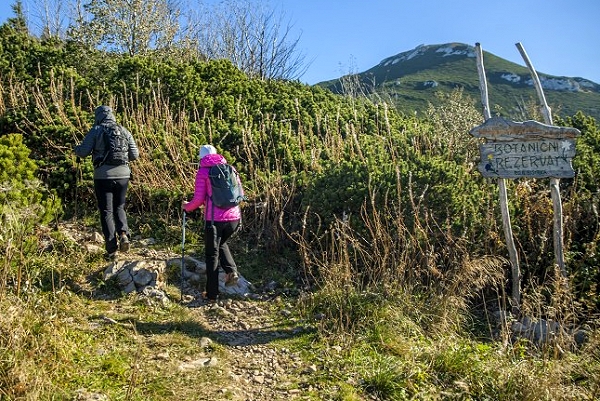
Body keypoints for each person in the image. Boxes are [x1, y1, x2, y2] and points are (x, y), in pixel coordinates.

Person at [75, 105, 139, 260]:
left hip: (103, 176)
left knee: (106, 211)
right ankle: (123, 234)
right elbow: (134, 155)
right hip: (123, 176)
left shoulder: (96, 130)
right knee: (119, 207)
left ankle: (111, 250)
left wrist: (76, 148)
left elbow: (83, 152)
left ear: (98, 116)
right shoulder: (124, 130)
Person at [182, 144, 243, 304]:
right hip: (234, 219)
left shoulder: (203, 172)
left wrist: (186, 206)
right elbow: (240, 193)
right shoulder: (231, 169)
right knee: (221, 244)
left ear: (201, 158)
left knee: (211, 255)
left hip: (214, 221)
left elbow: (197, 200)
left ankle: (212, 294)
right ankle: (231, 272)